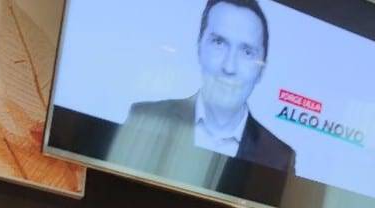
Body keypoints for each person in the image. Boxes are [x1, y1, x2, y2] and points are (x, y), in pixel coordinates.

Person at [110, 0, 295, 174]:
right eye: (219, 43)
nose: (229, 67)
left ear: (261, 69)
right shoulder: (145, 117)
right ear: (199, 48)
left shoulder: (279, 157)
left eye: (247, 52)